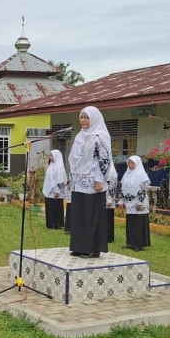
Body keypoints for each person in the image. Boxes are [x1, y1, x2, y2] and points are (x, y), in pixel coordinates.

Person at [68, 106, 112, 258]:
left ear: (94, 118)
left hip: (94, 182)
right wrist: (71, 179)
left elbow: (104, 159)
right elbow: (74, 160)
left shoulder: (100, 136)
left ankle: (92, 248)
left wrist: (100, 180)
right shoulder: (80, 136)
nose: (83, 120)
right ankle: (79, 246)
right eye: (81, 117)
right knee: (79, 214)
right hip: (79, 182)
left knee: (92, 215)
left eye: (86, 117)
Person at [118, 155, 151, 252]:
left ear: (137, 163)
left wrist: (140, 203)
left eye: (132, 163)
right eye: (129, 162)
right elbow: (123, 188)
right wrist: (121, 200)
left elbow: (143, 190)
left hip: (138, 202)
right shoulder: (127, 174)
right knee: (131, 222)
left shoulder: (141, 175)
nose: (130, 164)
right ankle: (131, 243)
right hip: (129, 202)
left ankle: (138, 244)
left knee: (138, 223)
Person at [42, 149, 67, 229]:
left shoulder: (59, 167)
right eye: (50, 155)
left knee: (55, 208)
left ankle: (56, 224)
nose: (50, 157)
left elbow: (60, 180)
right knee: (50, 207)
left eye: (52, 155)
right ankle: (50, 224)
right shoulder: (51, 166)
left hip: (55, 193)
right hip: (49, 192)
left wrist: (57, 191)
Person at [105, 160, 119, 243]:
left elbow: (113, 188)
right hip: (103, 198)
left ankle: (109, 237)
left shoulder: (112, 173)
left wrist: (109, 200)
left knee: (108, 218)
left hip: (108, 200)